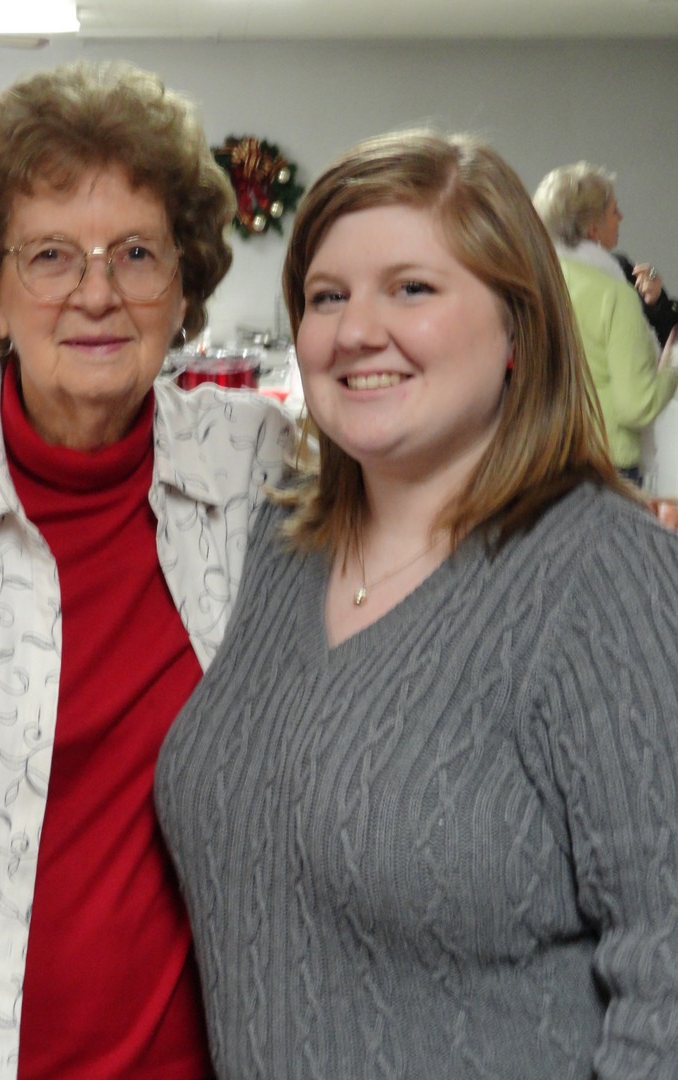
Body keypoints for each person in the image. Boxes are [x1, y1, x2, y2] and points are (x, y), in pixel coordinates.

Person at [155, 129, 678, 1078]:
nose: (356, 330)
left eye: (412, 288)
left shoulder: (603, 574)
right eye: (327, 296)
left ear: (518, 327)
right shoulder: (271, 546)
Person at [0, 61, 293, 1080]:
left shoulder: (256, 470)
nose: (97, 293)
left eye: (137, 253)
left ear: (183, 285)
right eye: (51, 256)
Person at [533, 160, 677, 485]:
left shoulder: (537, 286)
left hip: (545, 460)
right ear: (593, 229)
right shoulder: (613, 293)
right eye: (614, 210)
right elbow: (637, 405)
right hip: (608, 463)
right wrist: (672, 373)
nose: (621, 217)